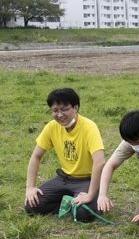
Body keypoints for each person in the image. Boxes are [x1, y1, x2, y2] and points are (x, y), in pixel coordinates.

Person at [24, 88, 105, 222]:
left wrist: (90, 195)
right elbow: (36, 156)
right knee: (31, 205)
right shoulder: (51, 127)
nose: (60, 115)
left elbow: (99, 162)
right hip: (64, 178)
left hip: (87, 180)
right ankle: (68, 203)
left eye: (64, 109)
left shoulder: (89, 127)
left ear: (76, 107)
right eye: (55, 111)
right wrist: (30, 188)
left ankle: (93, 200)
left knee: (83, 214)